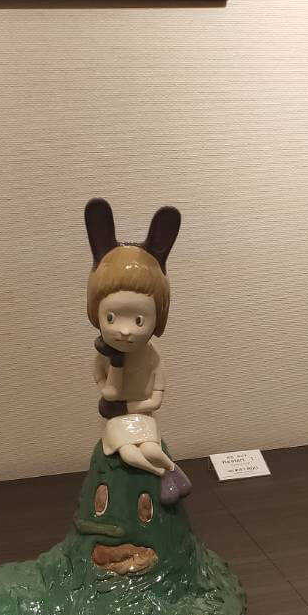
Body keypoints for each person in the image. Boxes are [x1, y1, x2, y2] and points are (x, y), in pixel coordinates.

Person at [84, 199, 191, 504]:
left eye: (139, 320)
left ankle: (172, 471)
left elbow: (154, 400)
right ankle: (163, 475)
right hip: (118, 423)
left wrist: (126, 408)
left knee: (151, 448)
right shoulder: (103, 357)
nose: (125, 330)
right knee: (129, 453)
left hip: (139, 418)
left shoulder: (153, 358)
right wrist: (116, 364)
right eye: (111, 318)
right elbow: (109, 392)